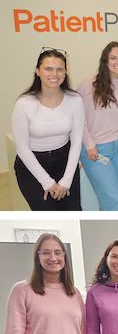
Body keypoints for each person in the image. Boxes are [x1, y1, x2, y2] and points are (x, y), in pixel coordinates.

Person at [12, 48, 83, 214]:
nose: (54, 74)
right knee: (47, 214)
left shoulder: (75, 100)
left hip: (64, 161)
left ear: (65, 72)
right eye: (48, 68)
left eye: (60, 69)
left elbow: (76, 142)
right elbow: (22, 148)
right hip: (33, 165)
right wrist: (47, 182)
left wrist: (66, 180)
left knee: (73, 212)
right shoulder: (24, 104)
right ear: (37, 71)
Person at [78, 42, 118, 214]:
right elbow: (77, 118)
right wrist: (89, 145)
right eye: (113, 58)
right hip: (96, 150)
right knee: (113, 201)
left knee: (112, 199)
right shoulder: (89, 84)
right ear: (105, 60)